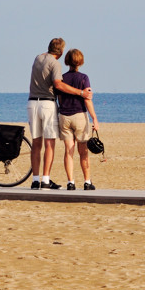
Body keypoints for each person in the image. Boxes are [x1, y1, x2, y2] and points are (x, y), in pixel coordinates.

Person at [27, 37, 90, 190]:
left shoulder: (37, 58)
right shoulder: (55, 63)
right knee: (49, 143)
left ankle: (35, 180)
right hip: (47, 104)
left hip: (32, 103)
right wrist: (80, 92)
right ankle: (46, 180)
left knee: (36, 143)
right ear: (61, 52)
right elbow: (57, 84)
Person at [57, 48, 100, 191]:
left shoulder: (62, 78)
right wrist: (94, 118)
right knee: (83, 151)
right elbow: (87, 100)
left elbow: (60, 99)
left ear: (67, 61)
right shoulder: (83, 78)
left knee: (68, 151)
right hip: (79, 116)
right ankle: (87, 182)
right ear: (80, 61)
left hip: (64, 116)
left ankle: (71, 182)